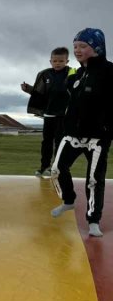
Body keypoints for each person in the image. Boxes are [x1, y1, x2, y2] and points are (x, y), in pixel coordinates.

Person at [50, 28, 113, 238]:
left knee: (94, 179)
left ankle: (93, 220)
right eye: (75, 46)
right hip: (72, 134)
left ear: (97, 48)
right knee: (57, 169)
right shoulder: (77, 74)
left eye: (83, 46)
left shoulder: (109, 71)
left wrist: (108, 129)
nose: (77, 50)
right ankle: (68, 200)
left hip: (98, 137)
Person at [20, 46, 76, 177]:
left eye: (61, 61)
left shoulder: (72, 73)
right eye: (55, 61)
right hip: (49, 115)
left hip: (63, 115)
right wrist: (28, 89)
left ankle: (56, 168)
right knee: (46, 142)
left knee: (60, 142)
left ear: (67, 61)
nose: (58, 63)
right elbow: (39, 93)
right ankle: (44, 167)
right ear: (50, 61)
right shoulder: (45, 74)